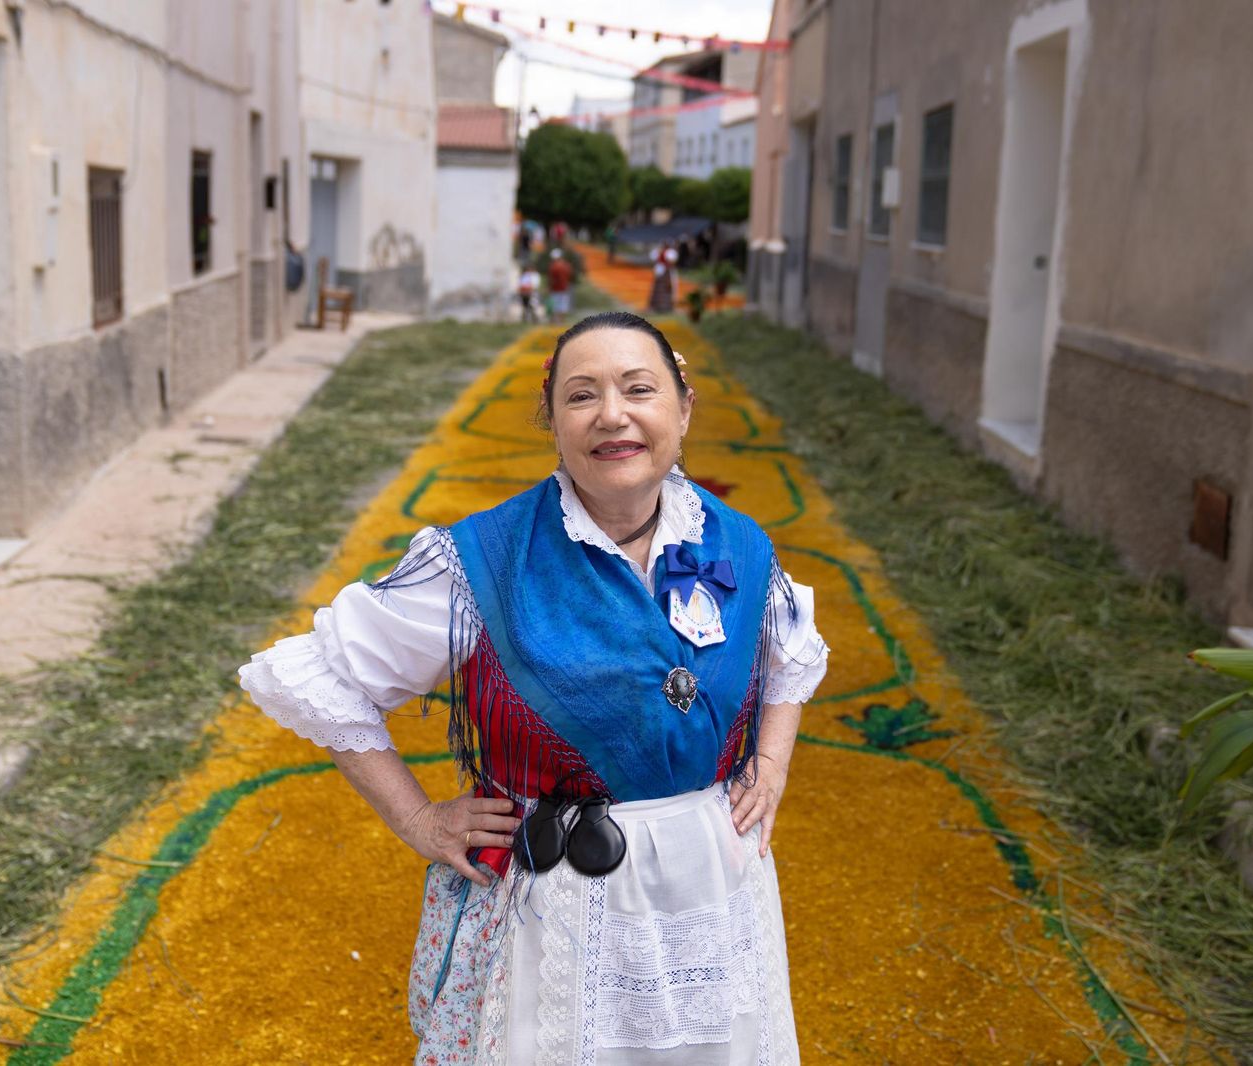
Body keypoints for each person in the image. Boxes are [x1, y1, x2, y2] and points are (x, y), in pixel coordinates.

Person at [238, 311, 828, 1064]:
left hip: (709, 888)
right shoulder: (485, 558)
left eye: (638, 389)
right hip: (558, 897)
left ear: (682, 410)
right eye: (582, 396)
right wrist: (417, 818)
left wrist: (770, 763)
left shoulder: (739, 540)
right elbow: (324, 674)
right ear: (553, 423)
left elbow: (790, 651)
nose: (612, 414)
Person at [545, 247, 574, 322]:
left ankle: (555, 322)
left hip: (555, 289)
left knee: (555, 306)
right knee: (563, 306)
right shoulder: (567, 265)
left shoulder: (553, 266)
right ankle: (561, 321)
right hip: (564, 288)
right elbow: (570, 275)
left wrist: (549, 287)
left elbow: (552, 279)